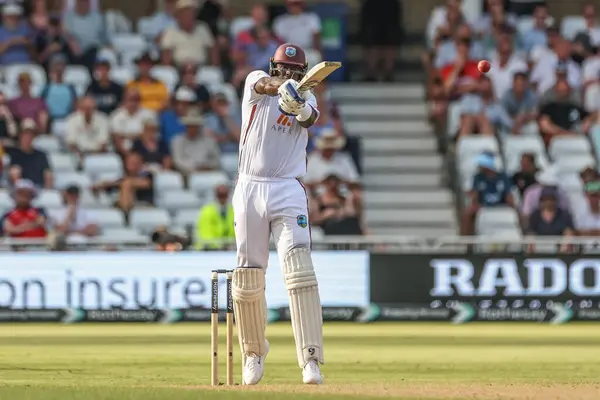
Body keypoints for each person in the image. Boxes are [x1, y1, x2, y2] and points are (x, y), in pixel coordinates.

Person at [233, 43, 324, 386]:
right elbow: (263, 85)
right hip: (250, 187)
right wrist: (283, 88)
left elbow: (310, 119)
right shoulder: (257, 82)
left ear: (302, 72)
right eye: (282, 69)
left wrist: (298, 103)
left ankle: (310, 360)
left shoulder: (308, 97)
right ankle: (253, 353)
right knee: (247, 277)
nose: (286, 74)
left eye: (292, 71)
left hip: (288, 188)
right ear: (273, 66)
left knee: (299, 271)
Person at [461, 153, 516, 235]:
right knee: (467, 214)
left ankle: (524, 237)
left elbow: (508, 194)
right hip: (483, 205)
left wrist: (512, 206)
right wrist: (475, 204)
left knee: (519, 212)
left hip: (501, 205)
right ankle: (467, 243)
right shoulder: (478, 177)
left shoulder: (503, 177)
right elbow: (475, 196)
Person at [160, 0, 219, 67]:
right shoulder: (171, 31)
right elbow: (166, 53)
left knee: (214, 74)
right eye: (186, 13)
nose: (189, 16)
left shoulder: (202, 28)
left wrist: (214, 66)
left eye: (192, 13)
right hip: (179, 68)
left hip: (200, 67)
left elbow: (212, 48)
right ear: (179, 16)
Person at [7, 119, 52, 188]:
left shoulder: (41, 155)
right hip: (21, 190)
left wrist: (47, 191)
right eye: (25, 134)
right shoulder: (13, 154)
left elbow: (48, 174)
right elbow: (14, 176)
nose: (27, 137)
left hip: (39, 189)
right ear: (20, 135)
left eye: (30, 134)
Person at [195, 184, 234, 250]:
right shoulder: (207, 211)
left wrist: (230, 244)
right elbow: (206, 235)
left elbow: (234, 231)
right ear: (216, 196)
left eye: (224, 195)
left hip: (228, 249)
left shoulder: (232, 211)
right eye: (220, 195)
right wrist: (219, 246)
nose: (222, 198)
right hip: (210, 250)